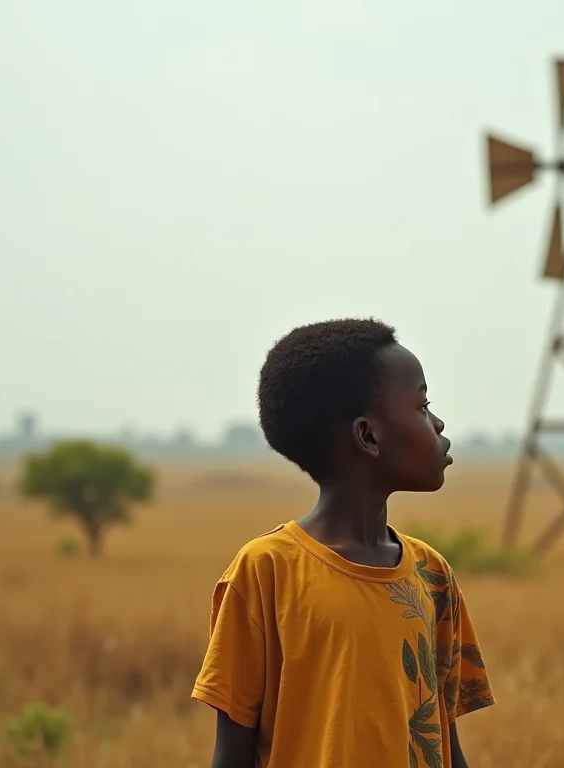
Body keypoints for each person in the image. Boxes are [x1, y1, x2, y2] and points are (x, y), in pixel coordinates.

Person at [192, 318, 495, 768]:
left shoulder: (432, 574)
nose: (438, 422)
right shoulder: (266, 572)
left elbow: (445, 743)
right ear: (368, 436)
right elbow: (231, 755)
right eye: (422, 404)